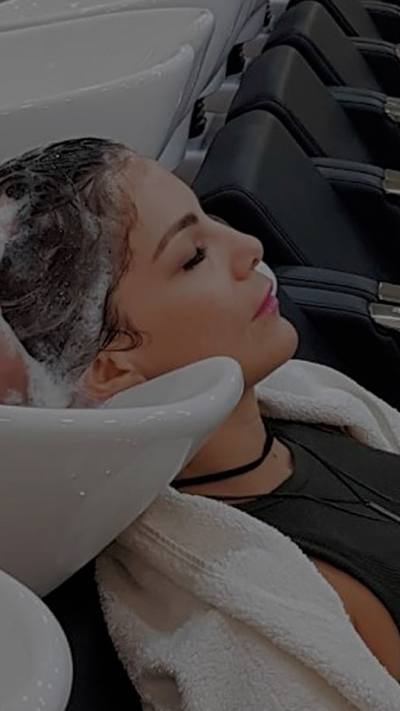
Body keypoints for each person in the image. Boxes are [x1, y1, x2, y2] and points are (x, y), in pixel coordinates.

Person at [1, 137, 400, 706]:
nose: (250, 247)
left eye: (212, 220)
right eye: (193, 256)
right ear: (109, 367)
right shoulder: (257, 615)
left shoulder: (312, 411)